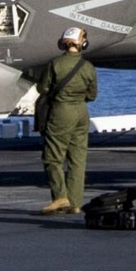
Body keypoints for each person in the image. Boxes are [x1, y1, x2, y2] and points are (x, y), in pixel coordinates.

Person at [23, 27, 99, 215]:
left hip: (61, 111)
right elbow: (92, 95)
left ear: (63, 43)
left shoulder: (55, 64)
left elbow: (43, 88)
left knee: (52, 157)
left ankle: (60, 196)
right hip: (81, 112)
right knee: (77, 159)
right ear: (82, 43)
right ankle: (75, 203)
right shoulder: (88, 67)